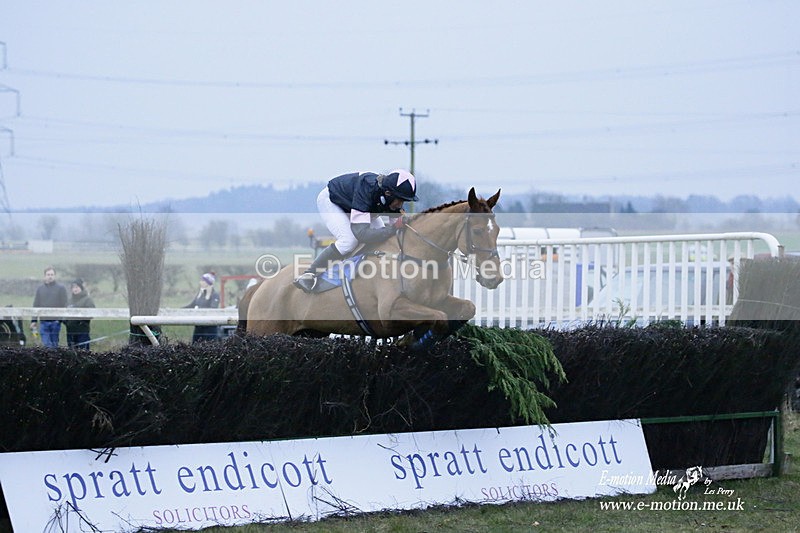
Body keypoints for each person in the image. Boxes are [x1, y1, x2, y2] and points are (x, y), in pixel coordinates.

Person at [293, 169, 418, 292]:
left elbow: (397, 231)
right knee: (349, 241)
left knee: (383, 240)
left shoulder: (390, 197)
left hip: (357, 206)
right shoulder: (367, 189)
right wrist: (393, 228)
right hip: (333, 201)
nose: (400, 205)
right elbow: (362, 234)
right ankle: (309, 274)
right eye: (400, 200)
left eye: (404, 201)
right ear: (388, 193)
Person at [31, 266, 68, 347]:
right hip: (43, 322)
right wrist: (33, 320)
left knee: (54, 344)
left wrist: (60, 319)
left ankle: (54, 359)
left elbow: (65, 304)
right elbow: (36, 305)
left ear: (55, 276)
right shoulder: (40, 289)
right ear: (45, 276)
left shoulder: (61, 288)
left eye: (52, 274)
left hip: (55, 322)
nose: (50, 276)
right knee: (47, 345)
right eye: (48, 274)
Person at [185, 272, 221, 343]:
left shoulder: (215, 295)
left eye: (203, 280)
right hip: (199, 325)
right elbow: (191, 305)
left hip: (210, 327)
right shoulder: (200, 294)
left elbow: (213, 308)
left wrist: (207, 297)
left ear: (208, 282)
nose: (200, 282)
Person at [65, 278, 96, 350]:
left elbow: (91, 313)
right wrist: (66, 322)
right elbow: (64, 313)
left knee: (83, 353)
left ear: (81, 288)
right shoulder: (69, 301)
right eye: (73, 287)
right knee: (71, 353)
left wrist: (81, 320)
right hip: (70, 331)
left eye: (77, 287)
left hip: (82, 331)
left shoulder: (87, 299)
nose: (75, 289)